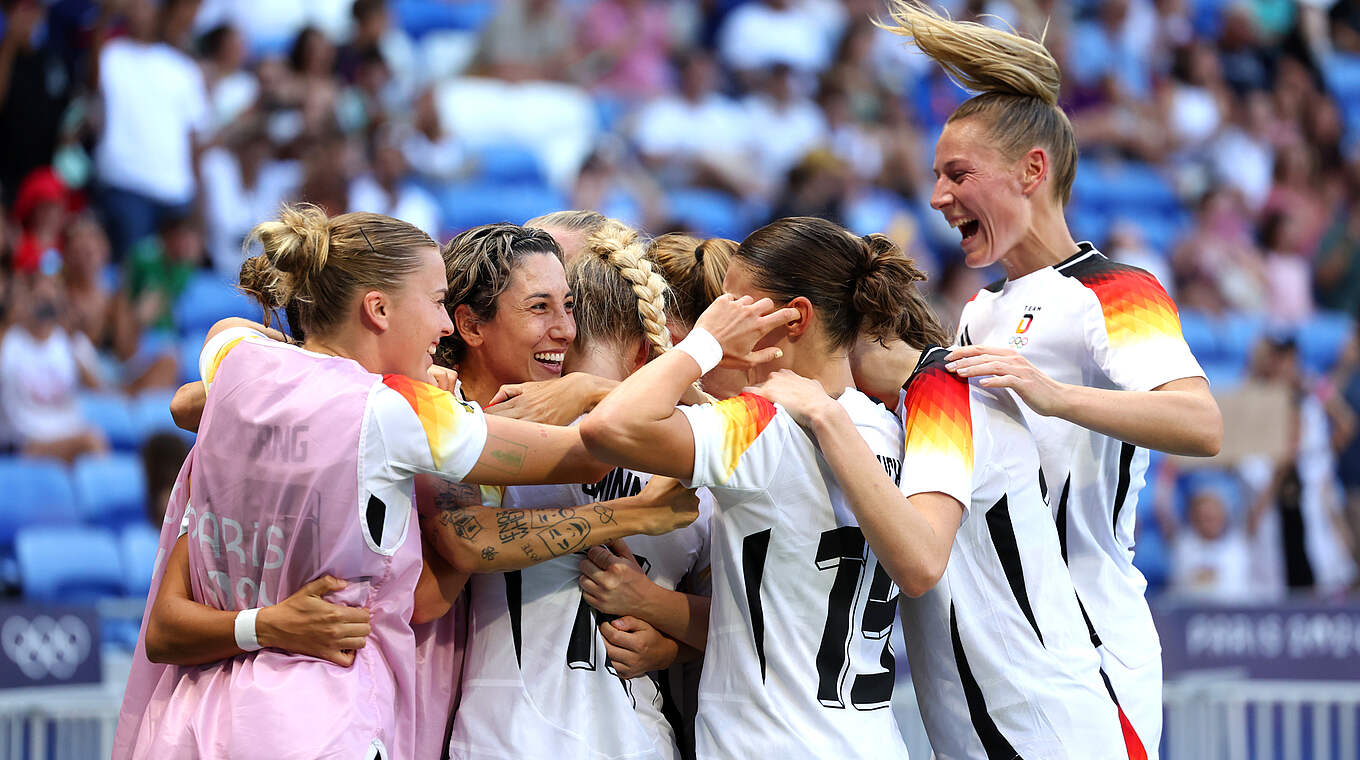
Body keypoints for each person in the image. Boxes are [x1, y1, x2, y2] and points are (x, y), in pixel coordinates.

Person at [112, 205, 690, 760]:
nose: (439, 325)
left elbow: (193, 397)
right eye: (436, 303)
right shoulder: (404, 410)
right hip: (332, 719)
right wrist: (614, 428)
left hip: (198, 727)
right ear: (382, 310)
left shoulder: (247, 367)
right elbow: (566, 471)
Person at [879, 2, 1223, 755]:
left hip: (1090, 644)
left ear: (1033, 171)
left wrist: (1054, 393)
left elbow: (1201, 423)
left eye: (957, 174)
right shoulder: (978, 309)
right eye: (936, 175)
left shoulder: (1116, 291)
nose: (937, 196)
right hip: (997, 643)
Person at [580, 216, 923, 758]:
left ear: (796, 317)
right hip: (870, 736)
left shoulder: (762, 425)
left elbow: (609, 428)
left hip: (767, 742)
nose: (726, 318)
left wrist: (703, 343)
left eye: (736, 305)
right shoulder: (894, 426)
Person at [446, 219, 712, 760]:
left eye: (568, 312)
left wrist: (663, 626)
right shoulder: (702, 460)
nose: (561, 334)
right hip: (616, 740)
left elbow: (744, 618)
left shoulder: (496, 437)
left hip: (511, 740)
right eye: (541, 309)